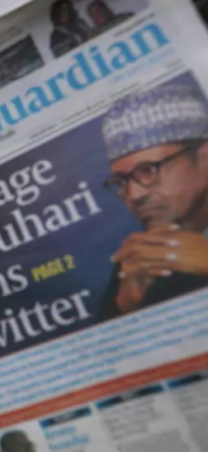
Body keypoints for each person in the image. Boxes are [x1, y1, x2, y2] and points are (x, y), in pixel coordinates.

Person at [99, 81, 208, 319]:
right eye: (121, 181)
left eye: (148, 170)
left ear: (203, 158)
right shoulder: (141, 258)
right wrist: (126, 306)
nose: (134, 195)